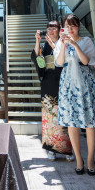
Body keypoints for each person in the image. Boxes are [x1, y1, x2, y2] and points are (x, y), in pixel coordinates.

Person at [54, 14, 95, 176]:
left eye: (73, 26)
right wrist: (64, 45)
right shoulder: (60, 42)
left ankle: (91, 159)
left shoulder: (86, 41)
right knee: (72, 122)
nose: (70, 29)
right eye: (67, 26)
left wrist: (74, 44)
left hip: (85, 81)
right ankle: (79, 159)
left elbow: (86, 61)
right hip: (68, 82)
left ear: (78, 26)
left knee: (89, 121)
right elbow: (59, 63)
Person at [31, 20, 73, 161]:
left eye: (54, 28)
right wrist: (38, 41)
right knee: (50, 117)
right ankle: (51, 149)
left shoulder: (64, 42)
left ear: (60, 29)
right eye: (48, 28)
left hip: (63, 80)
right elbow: (38, 60)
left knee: (65, 115)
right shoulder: (43, 46)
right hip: (48, 82)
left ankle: (68, 149)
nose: (50, 31)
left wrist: (55, 45)